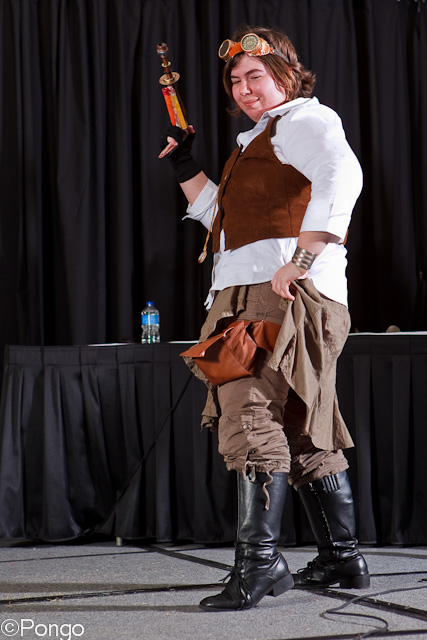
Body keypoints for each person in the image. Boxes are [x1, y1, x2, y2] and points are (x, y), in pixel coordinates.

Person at [159, 24, 370, 612]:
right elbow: (224, 222)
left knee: (249, 412)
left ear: (286, 74)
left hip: (278, 296)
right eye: (235, 80)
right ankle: (342, 556)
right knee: (300, 425)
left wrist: (301, 259)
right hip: (271, 293)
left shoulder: (305, 120)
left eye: (257, 75)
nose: (244, 88)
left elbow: (342, 176)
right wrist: (186, 164)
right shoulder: (262, 139)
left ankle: (260, 563)